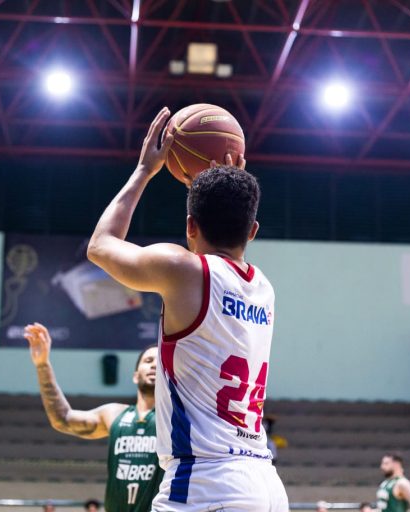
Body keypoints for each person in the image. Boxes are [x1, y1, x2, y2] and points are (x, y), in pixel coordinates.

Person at [87, 107, 288, 511]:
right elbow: (222, 235)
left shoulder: (183, 271)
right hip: (265, 483)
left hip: (205, 481)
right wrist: (228, 186)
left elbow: (100, 245)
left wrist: (144, 171)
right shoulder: (263, 288)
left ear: (190, 226)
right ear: (252, 231)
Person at [25, 323, 162, 512]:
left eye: (160, 362)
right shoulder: (114, 414)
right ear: (135, 376)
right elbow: (63, 419)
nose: (154, 364)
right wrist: (42, 365)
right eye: (148, 360)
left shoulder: (177, 417)